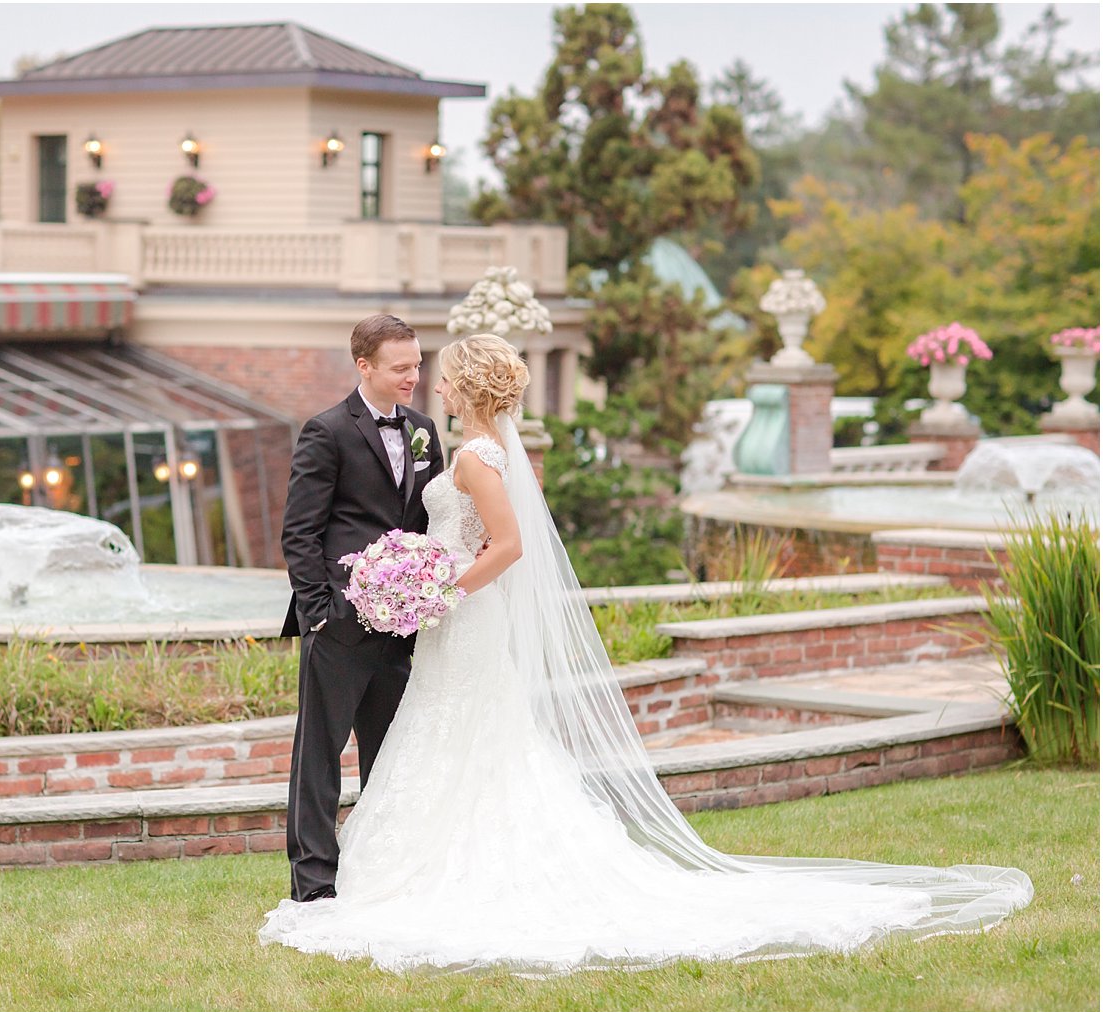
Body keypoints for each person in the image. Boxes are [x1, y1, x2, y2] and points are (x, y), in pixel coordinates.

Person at [260, 333, 1033, 976]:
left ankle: (408, 876)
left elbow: (507, 545)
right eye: (408, 367)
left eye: (437, 371)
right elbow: (327, 527)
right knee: (421, 744)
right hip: (409, 624)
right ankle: (340, 879)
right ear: (365, 366)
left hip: (450, 619)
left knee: (456, 741)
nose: (427, 380)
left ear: (466, 387)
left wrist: (442, 590)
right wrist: (360, 600)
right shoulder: (431, 443)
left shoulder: (467, 455)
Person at [278, 313, 444, 904]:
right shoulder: (326, 431)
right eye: (401, 368)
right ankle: (315, 885)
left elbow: (427, 524)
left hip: (404, 630)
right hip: (340, 627)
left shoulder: (425, 430)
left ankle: (378, 874)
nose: (413, 377)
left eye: (417, 365)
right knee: (320, 758)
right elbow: (300, 532)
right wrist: (320, 611)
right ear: (364, 366)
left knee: (391, 755)